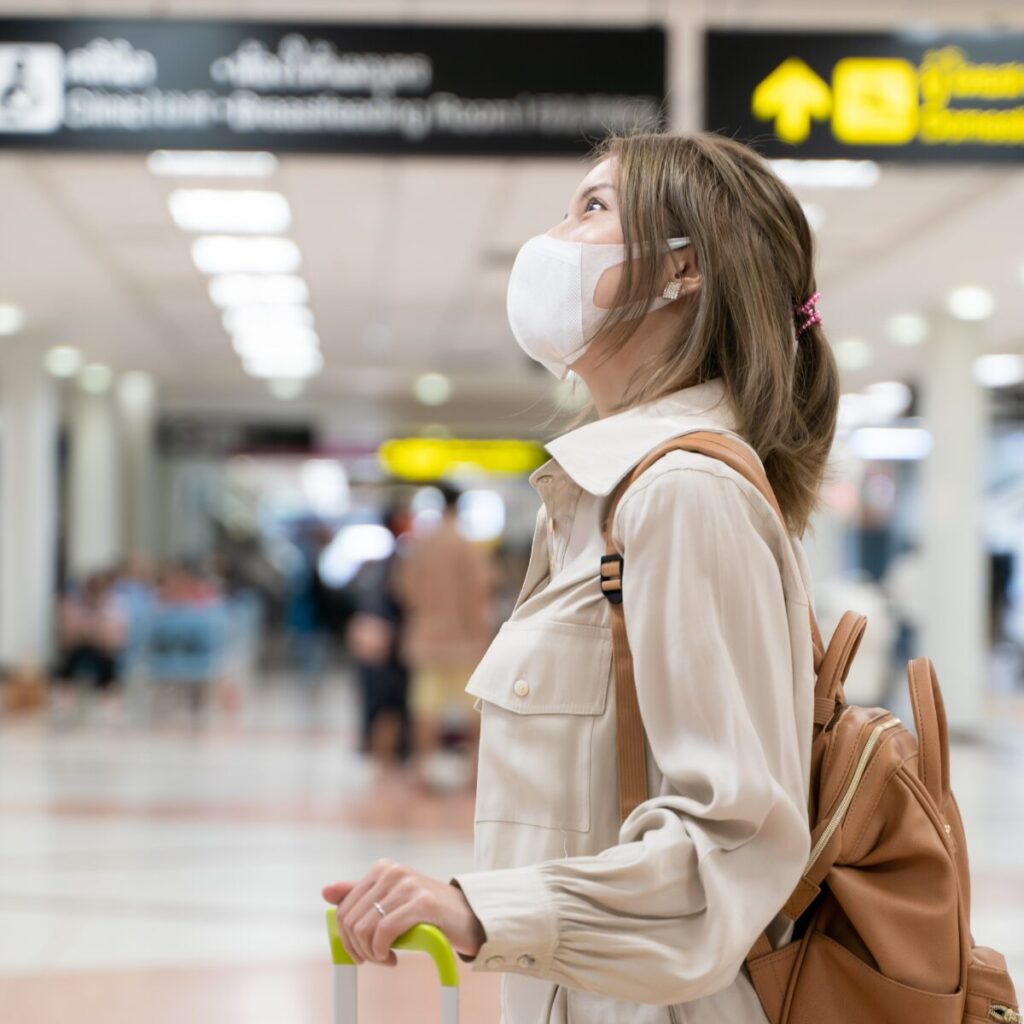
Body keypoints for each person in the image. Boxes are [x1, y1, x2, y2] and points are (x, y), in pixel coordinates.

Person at [323, 130, 839, 1024]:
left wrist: (482, 909)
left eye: (593, 208)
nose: (556, 235)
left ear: (683, 270)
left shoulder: (682, 493)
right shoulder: (604, 497)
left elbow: (731, 843)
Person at [391, 482, 497, 791]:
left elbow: (404, 589)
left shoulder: (422, 544)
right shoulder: (470, 544)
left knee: (426, 707)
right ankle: (472, 772)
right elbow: (482, 590)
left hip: (426, 637)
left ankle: (422, 770)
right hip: (467, 640)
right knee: (473, 709)